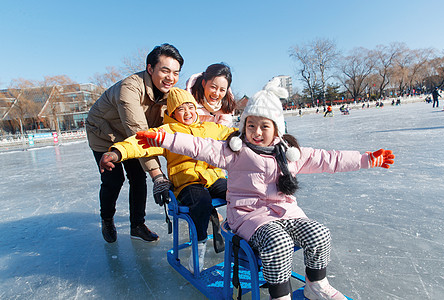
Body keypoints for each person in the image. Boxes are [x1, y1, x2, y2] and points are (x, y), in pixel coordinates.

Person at [134, 78, 395, 300]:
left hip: (285, 212)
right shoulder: (235, 152)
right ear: (244, 125)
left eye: (264, 126)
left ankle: (316, 286)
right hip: (247, 216)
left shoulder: (291, 154)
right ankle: (279, 295)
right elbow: (198, 146)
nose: (256, 132)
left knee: (319, 233)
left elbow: (329, 159)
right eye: (250, 125)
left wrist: (366, 159)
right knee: (279, 242)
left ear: (277, 128)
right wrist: (161, 137)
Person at [99, 88, 237, 272]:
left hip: (213, 177)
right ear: (172, 112)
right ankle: (200, 246)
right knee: (201, 201)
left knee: (237, 192)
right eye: (181, 109)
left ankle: (237, 236)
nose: (188, 112)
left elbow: (234, 134)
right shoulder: (167, 131)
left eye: (190, 107)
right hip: (187, 182)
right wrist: (117, 153)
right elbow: (140, 143)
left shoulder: (209, 127)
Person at [86, 43, 184, 243]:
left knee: (138, 178)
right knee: (114, 180)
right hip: (103, 132)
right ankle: (107, 219)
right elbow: (138, 131)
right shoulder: (130, 88)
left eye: (176, 73)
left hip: (129, 136)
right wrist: (158, 176)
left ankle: (137, 225)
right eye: (165, 71)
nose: (170, 78)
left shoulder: (169, 94)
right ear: (150, 68)